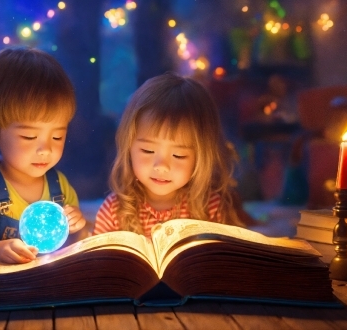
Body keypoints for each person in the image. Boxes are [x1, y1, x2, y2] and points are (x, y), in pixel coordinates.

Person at [0, 47, 86, 269]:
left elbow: (74, 244)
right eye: (29, 136)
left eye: (57, 136)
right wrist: (1, 250)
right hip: (2, 286)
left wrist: (79, 227)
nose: (45, 149)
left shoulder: (60, 186)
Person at [93, 72, 247, 237]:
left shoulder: (211, 208)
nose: (161, 166)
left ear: (200, 158)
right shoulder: (113, 211)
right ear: (128, 147)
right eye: (148, 151)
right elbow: (100, 261)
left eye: (178, 155)